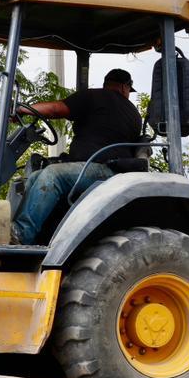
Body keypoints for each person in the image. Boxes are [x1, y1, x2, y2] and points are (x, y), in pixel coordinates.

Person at [12, 68, 142, 245]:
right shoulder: (134, 113)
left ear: (109, 84)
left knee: (52, 175)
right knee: (35, 177)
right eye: (129, 90)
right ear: (124, 87)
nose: (128, 94)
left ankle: (20, 235)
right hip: (109, 170)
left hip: (103, 169)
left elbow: (57, 109)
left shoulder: (97, 96)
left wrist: (22, 109)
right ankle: (36, 238)